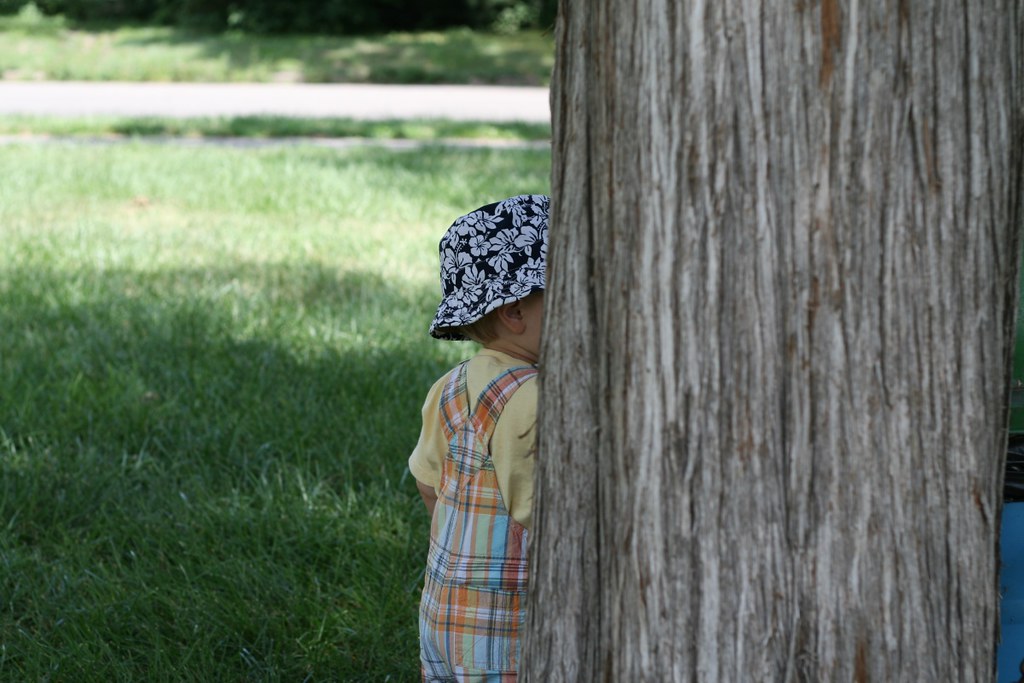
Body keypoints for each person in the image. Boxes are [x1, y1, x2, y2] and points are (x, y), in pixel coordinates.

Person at [409, 194, 549, 681]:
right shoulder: (536, 399)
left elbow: (427, 482)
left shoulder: (448, 386)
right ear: (515, 311)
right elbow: (541, 515)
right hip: (503, 629)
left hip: (442, 614)